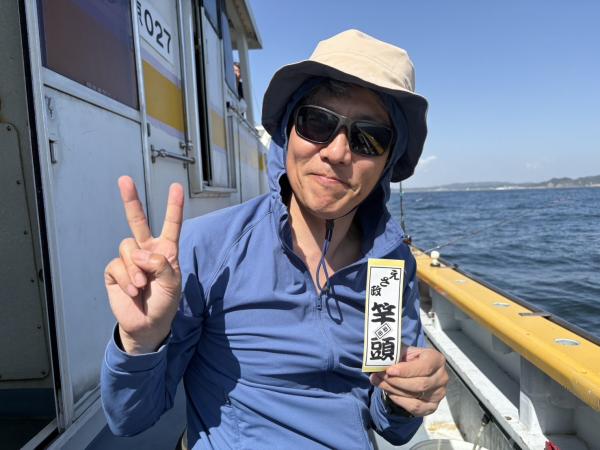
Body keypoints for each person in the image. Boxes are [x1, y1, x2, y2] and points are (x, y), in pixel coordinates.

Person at [102, 29, 448, 449]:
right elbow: (130, 417)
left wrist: (406, 397)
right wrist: (140, 342)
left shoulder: (391, 266)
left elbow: (392, 428)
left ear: (387, 162)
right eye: (317, 122)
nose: (337, 152)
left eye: (369, 137)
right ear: (288, 131)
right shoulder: (207, 247)